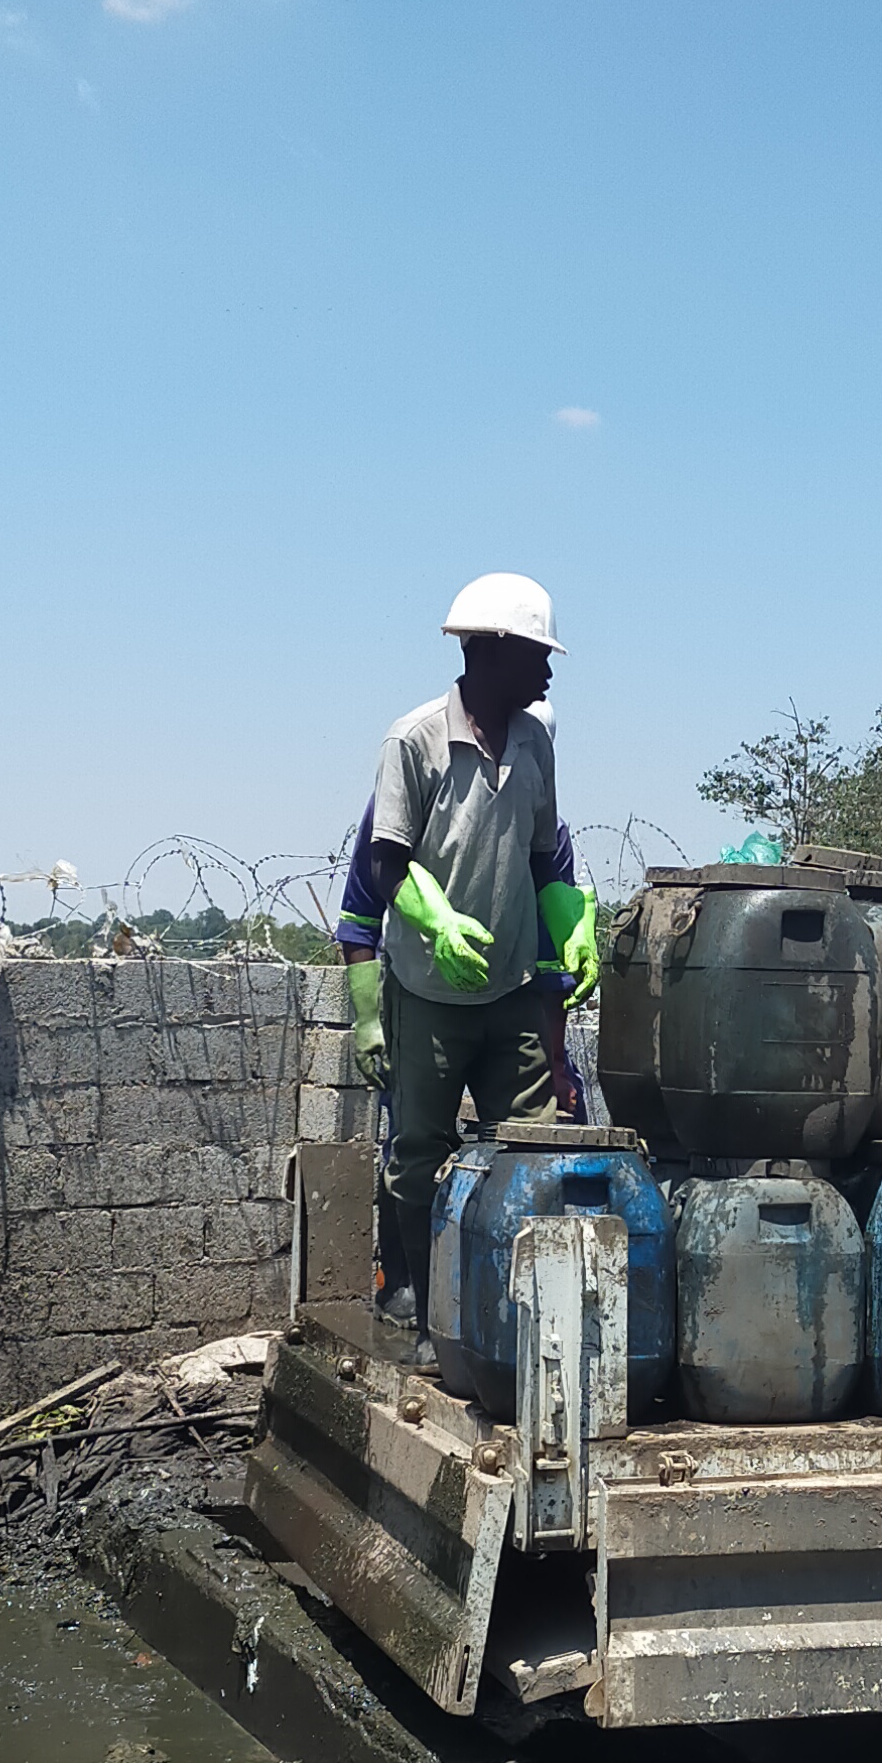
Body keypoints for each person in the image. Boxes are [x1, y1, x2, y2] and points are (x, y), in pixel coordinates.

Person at [337, 574, 600, 1342]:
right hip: (427, 990)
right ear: (493, 651)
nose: (548, 672)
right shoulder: (413, 741)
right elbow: (383, 865)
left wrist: (573, 924)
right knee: (419, 1154)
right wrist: (439, 920)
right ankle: (422, 1309)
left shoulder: (533, 740)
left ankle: (525, 1319)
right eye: (537, 655)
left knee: (533, 1148)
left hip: (515, 989)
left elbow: (545, 857)